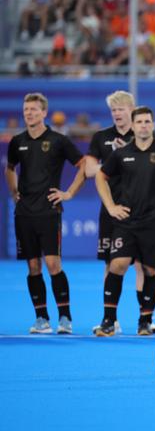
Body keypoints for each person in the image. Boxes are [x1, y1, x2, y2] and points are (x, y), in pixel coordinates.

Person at [94, 106, 155, 336]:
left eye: (147, 121)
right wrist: (110, 206)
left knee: (150, 269)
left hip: (153, 221)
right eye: (139, 122)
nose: (143, 126)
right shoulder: (121, 153)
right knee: (117, 265)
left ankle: (145, 320)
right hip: (125, 220)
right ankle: (108, 321)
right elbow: (101, 176)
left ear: (153, 125)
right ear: (132, 125)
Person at [5, 92, 85, 334]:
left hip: (49, 211)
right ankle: (41, 319)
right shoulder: (17, 141)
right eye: (26, 109)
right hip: (24, 213)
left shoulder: (58, 141)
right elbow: (10, 168)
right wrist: (14, 192)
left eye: (33, 109)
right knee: (33, 267)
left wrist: (68, 193)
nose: (28, 113)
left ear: (44, 113)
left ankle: (65, 318)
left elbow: (83, 165)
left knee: (53, 264)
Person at [84, 90, 149, 335]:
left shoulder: (143, 133)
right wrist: (116, 159)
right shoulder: (101, 137)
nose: (117, 114)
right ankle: (110, 319)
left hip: (141, 209)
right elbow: (89, 170)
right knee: (111, 264)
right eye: (113, 110)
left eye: (121, 109)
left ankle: (145, 319)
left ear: (132, 110)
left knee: (143, 264)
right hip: (111, 209)